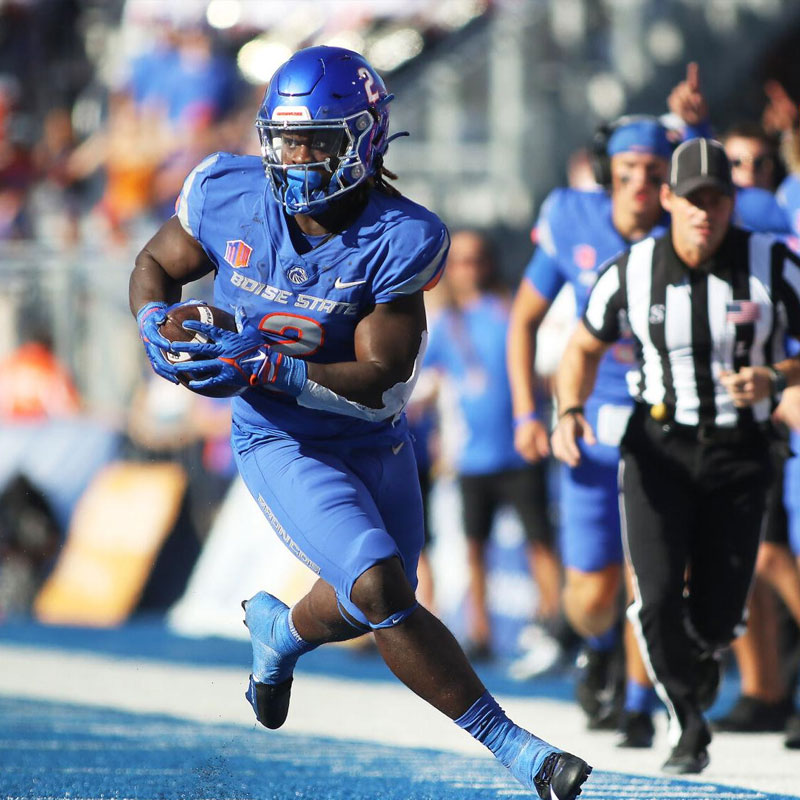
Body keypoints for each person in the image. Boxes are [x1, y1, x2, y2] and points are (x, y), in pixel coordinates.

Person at [129, 46, 592, 800]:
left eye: (319, 141)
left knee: (369, 599)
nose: (299, 160)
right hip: (282, 438)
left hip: (374, 435)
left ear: (367, 140)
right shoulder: (226, 191)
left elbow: (382, 377)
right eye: (287, 142)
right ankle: (520, 752)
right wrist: (152, 318)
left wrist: (272, 365)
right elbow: (155, 263)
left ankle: (280, 634)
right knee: (381, 589)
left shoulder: (402, 235)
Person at [551, 137, 800, 774]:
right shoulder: (632, 269)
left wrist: (778, 375)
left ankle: (709, 649)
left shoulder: (772, 263)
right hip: (658, 448)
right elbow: (580, 349)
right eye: (692, 200)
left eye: (715, 200)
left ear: (732, 203)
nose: (703, 213)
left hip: (742, 453)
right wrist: (569, 412)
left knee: (717, 610)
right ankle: (686, 722)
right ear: (668, 200)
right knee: (657, 594)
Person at [507, 114, 673, 745]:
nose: (638, 186)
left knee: (649, 574)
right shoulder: (572, 217)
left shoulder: (688, 228)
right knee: (590, 591)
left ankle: (638, 701)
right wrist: (529, 413)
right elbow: (525, 319)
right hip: (588, 421)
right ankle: (598, 644)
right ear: (606, 175)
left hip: (665, 421)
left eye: (654, 174)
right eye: (626, 173)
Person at [423, 228, 564, 668]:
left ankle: (558, 624)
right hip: (472, 458)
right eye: (460, 261)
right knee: (474, 547)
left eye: (476, 259)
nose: (469, 269)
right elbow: (424, 383)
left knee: (541, 542)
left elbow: (546, 371)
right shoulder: (448, 324)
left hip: (520, 452)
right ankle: (479, 634)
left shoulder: (513, 314)